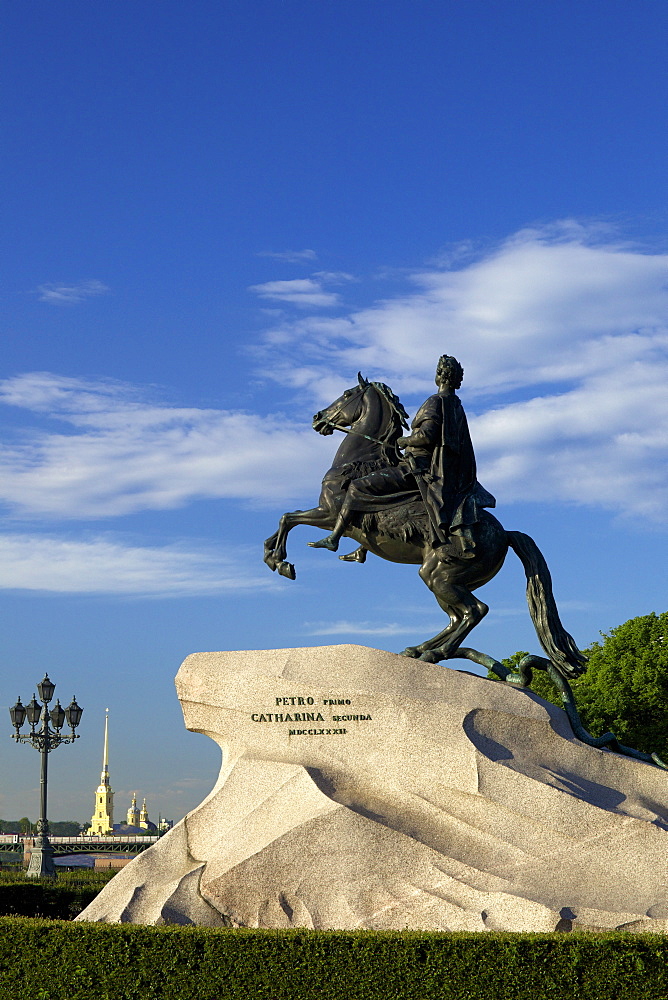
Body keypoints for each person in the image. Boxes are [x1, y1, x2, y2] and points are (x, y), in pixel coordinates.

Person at [309, 355, 495, 556]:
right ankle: (363, 548)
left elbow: (426, 436)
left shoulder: (435, 401)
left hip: (417, 467)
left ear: (440, 376)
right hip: (438, 470)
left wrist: (404, 441)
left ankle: (334, 537)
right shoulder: (455, 405)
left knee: (357, 487)